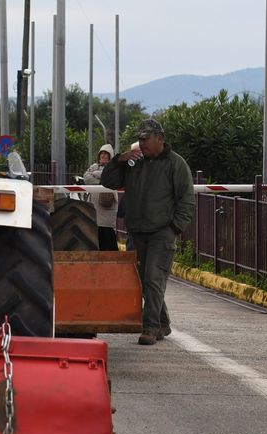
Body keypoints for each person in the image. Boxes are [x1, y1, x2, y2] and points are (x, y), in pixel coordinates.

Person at [101, 118, 194, 346]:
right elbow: (108, 181)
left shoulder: (176, 164)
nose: (141, 144)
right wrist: (119, 161)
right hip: (137, 232)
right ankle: (163, 323)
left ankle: (150, 327)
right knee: (144, 281)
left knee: (154, 278)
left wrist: (174, 228)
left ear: (159, 139)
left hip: (162, 232)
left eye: (146, 139)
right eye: (139, 139)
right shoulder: (135, 163)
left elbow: (187, 200)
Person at [83, 144, 119, 251]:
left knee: (107, 233)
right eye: (101, 153)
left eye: (106, 154)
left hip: (107, 207)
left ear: (110, 156)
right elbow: (86, 178)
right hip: (94, 206)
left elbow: (112, 178)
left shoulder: (114, 168)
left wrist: (97, 174)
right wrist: (101, 181)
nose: (103, 156)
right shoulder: (93, 166)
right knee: (95, 232)